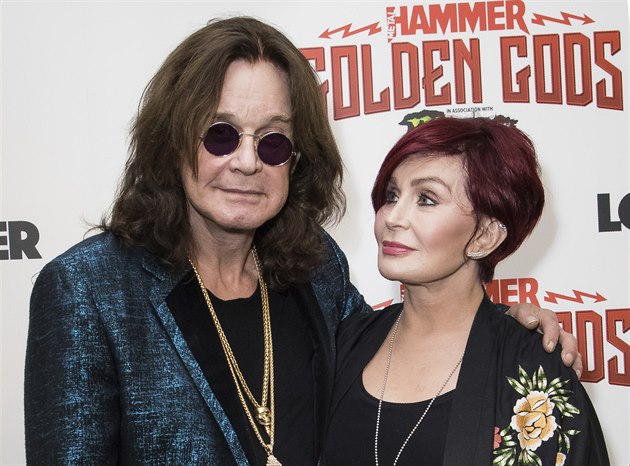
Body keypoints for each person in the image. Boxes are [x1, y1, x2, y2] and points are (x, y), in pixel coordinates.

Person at [24, 16, 580, 466]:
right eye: (220, 135)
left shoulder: (316, 268)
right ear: (173, 142)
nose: (247, 162)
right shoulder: (87, 290)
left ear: (295, 159)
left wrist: (508, 330)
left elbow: (406, 341)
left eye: (272, 141)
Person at [324, 117, 609, 466]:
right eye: (391, 195)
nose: (393, 217)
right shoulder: (344, 343)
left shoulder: (533, 371)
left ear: (485, 236)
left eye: (426, 199)